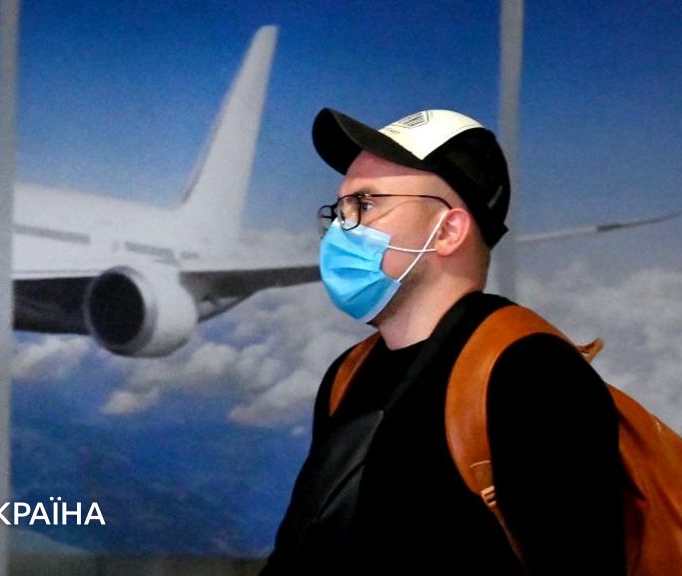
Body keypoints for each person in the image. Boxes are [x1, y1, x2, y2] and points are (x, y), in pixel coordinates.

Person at [261, 109, 624, 574]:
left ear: (448, 231)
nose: (339, 229)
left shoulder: (531, 373)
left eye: (365, 204)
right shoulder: (348, 374)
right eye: (340, 209)